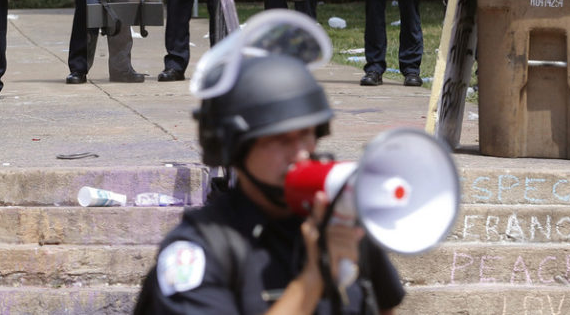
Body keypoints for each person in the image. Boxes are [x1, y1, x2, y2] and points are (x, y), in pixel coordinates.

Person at [135, 54, 404, 313]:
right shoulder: (199, 250)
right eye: (280, 140)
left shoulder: (343, 219)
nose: (300, 153)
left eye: (307, 134)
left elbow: (383, 307)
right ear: (235, 149)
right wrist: (314, 277)